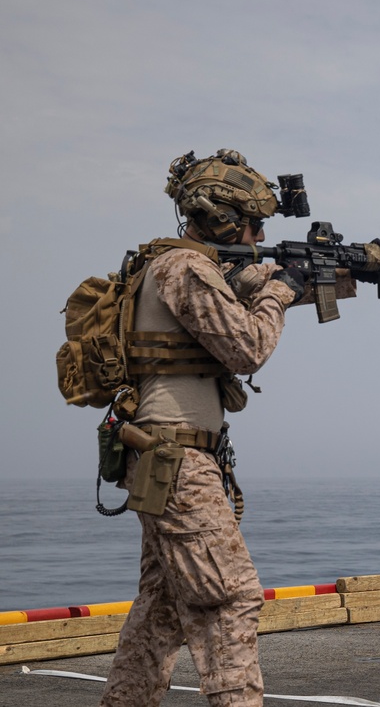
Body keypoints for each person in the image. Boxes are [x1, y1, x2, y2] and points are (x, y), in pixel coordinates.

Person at [100, 149, 308, 706]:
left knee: (163, 607)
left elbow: (232, 298)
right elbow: (246, 348)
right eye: (253, 222)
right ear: (221, 219)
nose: (260, 233)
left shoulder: (171, 266)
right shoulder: (185, 269)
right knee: (230, 598)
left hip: (163, 458)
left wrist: (283, 280)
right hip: (178, 462)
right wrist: (283, 290)